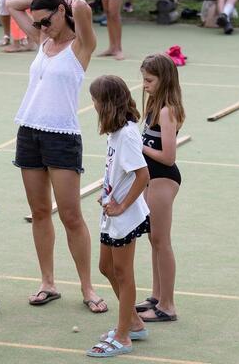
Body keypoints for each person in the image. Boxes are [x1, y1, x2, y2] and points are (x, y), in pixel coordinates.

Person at [5, 0, 105, 314]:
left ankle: (87, 287)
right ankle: (47, 282)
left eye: (47, 20)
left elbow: (85, 8)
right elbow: (11, 5)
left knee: (71, 215)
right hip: (29, 131)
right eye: (38, 23)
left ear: (62, 11)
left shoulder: (81, 45)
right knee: (39, 212)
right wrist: (43, 10)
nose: (42, 27)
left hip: (62, 136)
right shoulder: (42, 39)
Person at [85, 75, 151, 358]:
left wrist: (122, 205)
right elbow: (119, 171)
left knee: (123, 274)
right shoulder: (116, 132)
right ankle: (133, 323)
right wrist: (109, 192)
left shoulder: (127, 134)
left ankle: (124, 336)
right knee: (105, 267)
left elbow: (143, 175)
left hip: (125, 216)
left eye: (96, 101)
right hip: (112, 211)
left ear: (107, 103)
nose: (93, 106)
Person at [136, 54, 184, 324]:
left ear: (163, 80)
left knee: (162, 242)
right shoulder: (154, 105)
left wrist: (137, 146)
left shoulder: (167, 110)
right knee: (153, 239)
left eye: (149, 80)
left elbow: (168, 156)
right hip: (150, 178)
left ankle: (168, 305)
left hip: (163, 178)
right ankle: (156, 296)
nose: (144, 85)